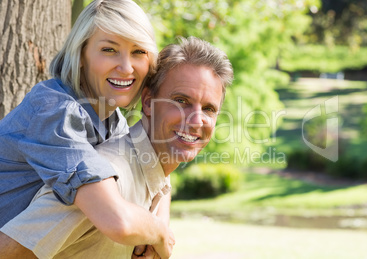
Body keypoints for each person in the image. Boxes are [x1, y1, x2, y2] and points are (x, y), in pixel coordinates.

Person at [0, 37, 234, 258]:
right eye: (181, 101)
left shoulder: (152, 165)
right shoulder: (104, 183)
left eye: (209, 109)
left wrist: (159, 225)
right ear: (148, 102)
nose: (196, 120)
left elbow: (163, 183)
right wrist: (158, 231)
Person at [0, 0, 175, 257]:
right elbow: (118, 222)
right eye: (109, 49)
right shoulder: (56, 112)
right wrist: (160, 234)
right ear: (80, 55)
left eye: (138, 52)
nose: (126, 68)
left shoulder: (111, 120)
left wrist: (158, 220)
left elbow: (155, 174)